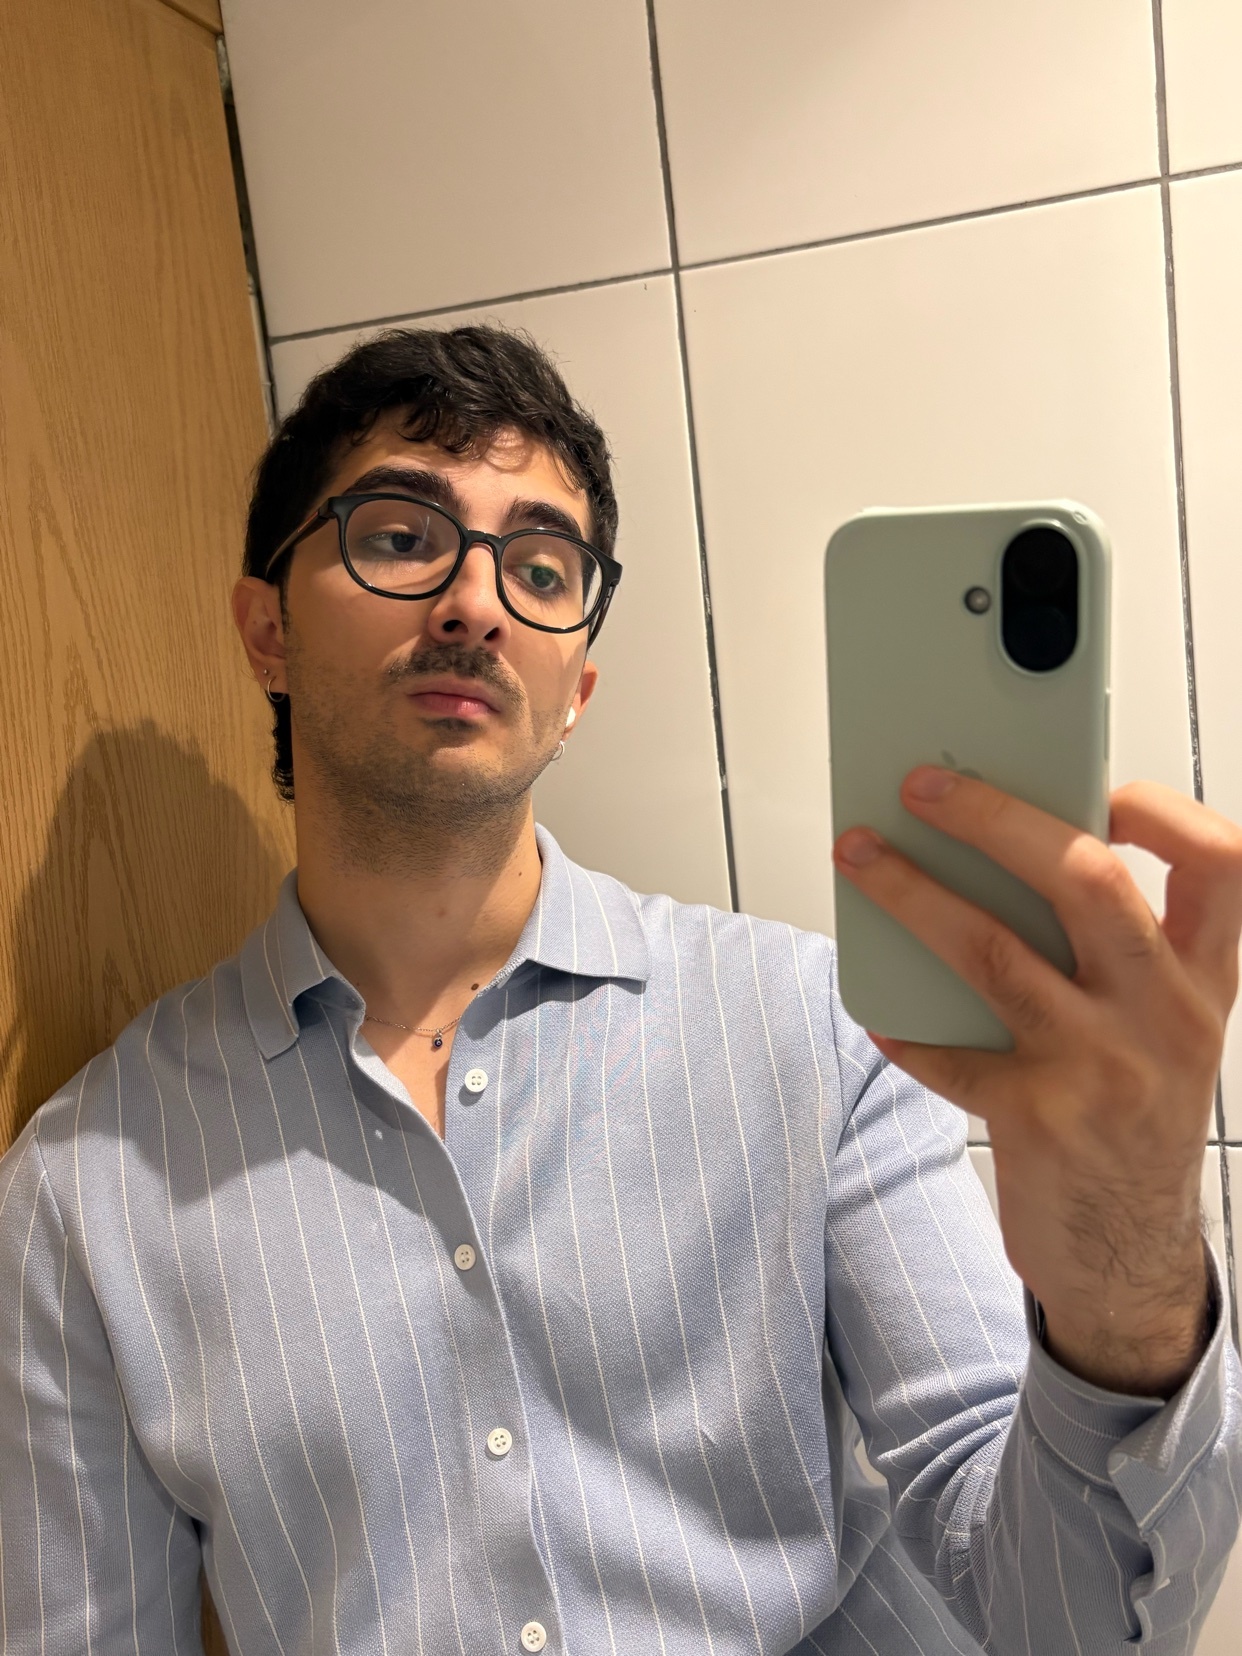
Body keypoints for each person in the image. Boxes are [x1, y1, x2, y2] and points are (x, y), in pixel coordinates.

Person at [1, 325, 1239, 1656]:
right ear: (267, 631)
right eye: (402, 535)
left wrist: (1126, 1278)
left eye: (539, 566)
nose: (475, 603)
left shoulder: (807, 1036)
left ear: (574, 687)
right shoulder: (83, 1194)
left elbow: (1057, 1627)